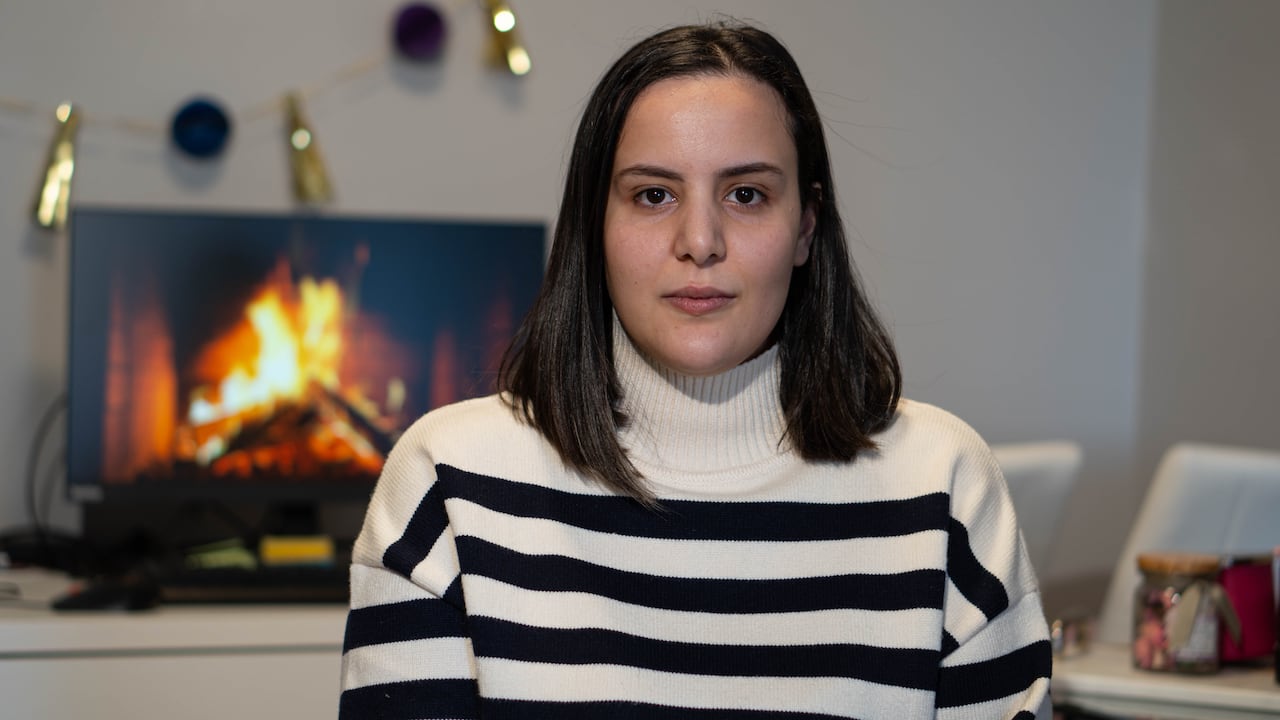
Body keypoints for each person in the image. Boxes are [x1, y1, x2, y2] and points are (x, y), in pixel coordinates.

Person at [340, 21, 1052, 720]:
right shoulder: (450, 482)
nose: (700, 242)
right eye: (654, 194)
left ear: (805, 227)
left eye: (747, 195)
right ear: (596, 227)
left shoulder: (943, 485)